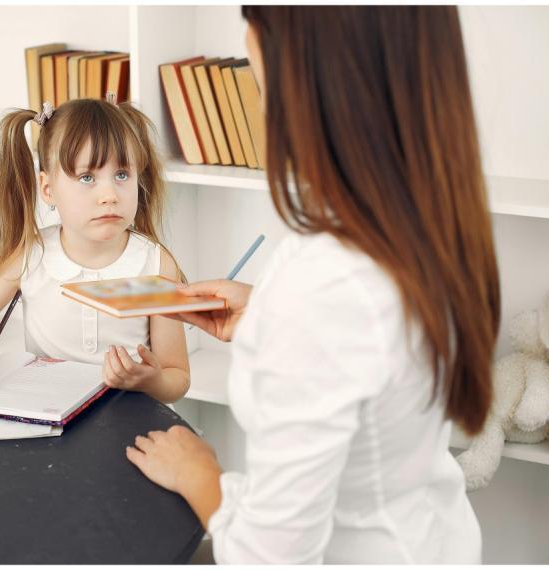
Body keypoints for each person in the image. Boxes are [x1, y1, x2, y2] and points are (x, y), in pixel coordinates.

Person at [126, 6, 500, 563]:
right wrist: (271, 321)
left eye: (256, 72)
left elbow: (268, 557)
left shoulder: (323, 285)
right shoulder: (431, 218)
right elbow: (377, 367)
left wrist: (201, 473)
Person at [0, 97, 190, 404]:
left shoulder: (156, 264)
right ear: (48, 189)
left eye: (122, 175)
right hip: (48, 417)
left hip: (127, 420)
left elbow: (177, 376)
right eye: (87, 177)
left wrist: (152, 381)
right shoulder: (32, 256)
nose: (109, 195)